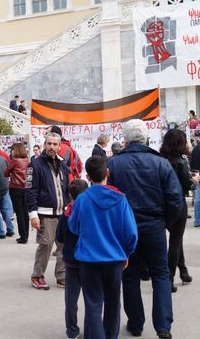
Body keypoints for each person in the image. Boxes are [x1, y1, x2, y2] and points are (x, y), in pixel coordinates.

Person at [107, 119, 182, 339]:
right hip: (154, 226)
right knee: (160, 274)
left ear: (125, 139)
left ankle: (136, 323)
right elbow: (175, 198)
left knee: (129, 275)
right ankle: (163, 326)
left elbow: (106, 198)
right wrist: (164, 222)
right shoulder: (160, 163)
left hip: (126, 228)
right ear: (146, 137)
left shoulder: (113, 164)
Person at [69, 156, 138, 339]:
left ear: (88, 176)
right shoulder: (120, 199)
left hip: (88, 260)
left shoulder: (82, 199)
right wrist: (127, 253)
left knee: (93, 304)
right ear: (107, 173)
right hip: (114, 259)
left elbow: (74, 226)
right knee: (113, 303)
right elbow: (131, 233)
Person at [26, 132, 69, 290]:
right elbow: (30, 192)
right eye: (49, 143)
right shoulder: (35, 165)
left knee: (64, 245)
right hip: (45, 214)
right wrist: (33, 215)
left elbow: (65, 190)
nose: (52, 147)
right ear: (44, 145)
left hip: (62, 214)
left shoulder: (63, 164)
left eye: (55, 144)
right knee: (45, 245)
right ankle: (37, 275)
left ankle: (62, 276)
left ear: (59, 146)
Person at [160, 129, 198, 293]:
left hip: (162, 204)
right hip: (178, 204)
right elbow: (187, 186)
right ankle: (169, 278)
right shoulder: (181, 162)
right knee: (175, 241)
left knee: (177, 239)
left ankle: (183, 271)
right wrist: (194, 181)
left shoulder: (160, 160)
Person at [56, 179, 88, 339]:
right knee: (92, 298)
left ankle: (72, 331)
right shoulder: (91, 212)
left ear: (69, 194)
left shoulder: (66, 213)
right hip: (89, 260)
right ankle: (92, 328)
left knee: (71, 299)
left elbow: (59, 237)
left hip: (71, 259)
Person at [5, 143, 29, 244]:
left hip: (15, 188)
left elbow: (6, 173)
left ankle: (22, 237)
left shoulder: (14, 161)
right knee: (25, 212)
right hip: (26, 188)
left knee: (19, 213)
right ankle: (26, 235)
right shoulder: (28, 160)